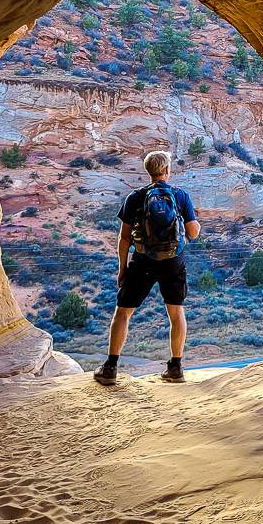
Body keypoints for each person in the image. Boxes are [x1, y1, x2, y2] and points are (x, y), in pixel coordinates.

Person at [93, 150, 201, 385]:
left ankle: (110, 367)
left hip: (143, 261)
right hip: (173, 262)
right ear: (167, 171)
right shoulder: (180, 196)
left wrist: (122, 269)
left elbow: (124, 239)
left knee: (123, 312)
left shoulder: (135, 197)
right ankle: (175, 368)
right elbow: (193, 233)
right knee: (176, 312)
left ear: (148, 171)